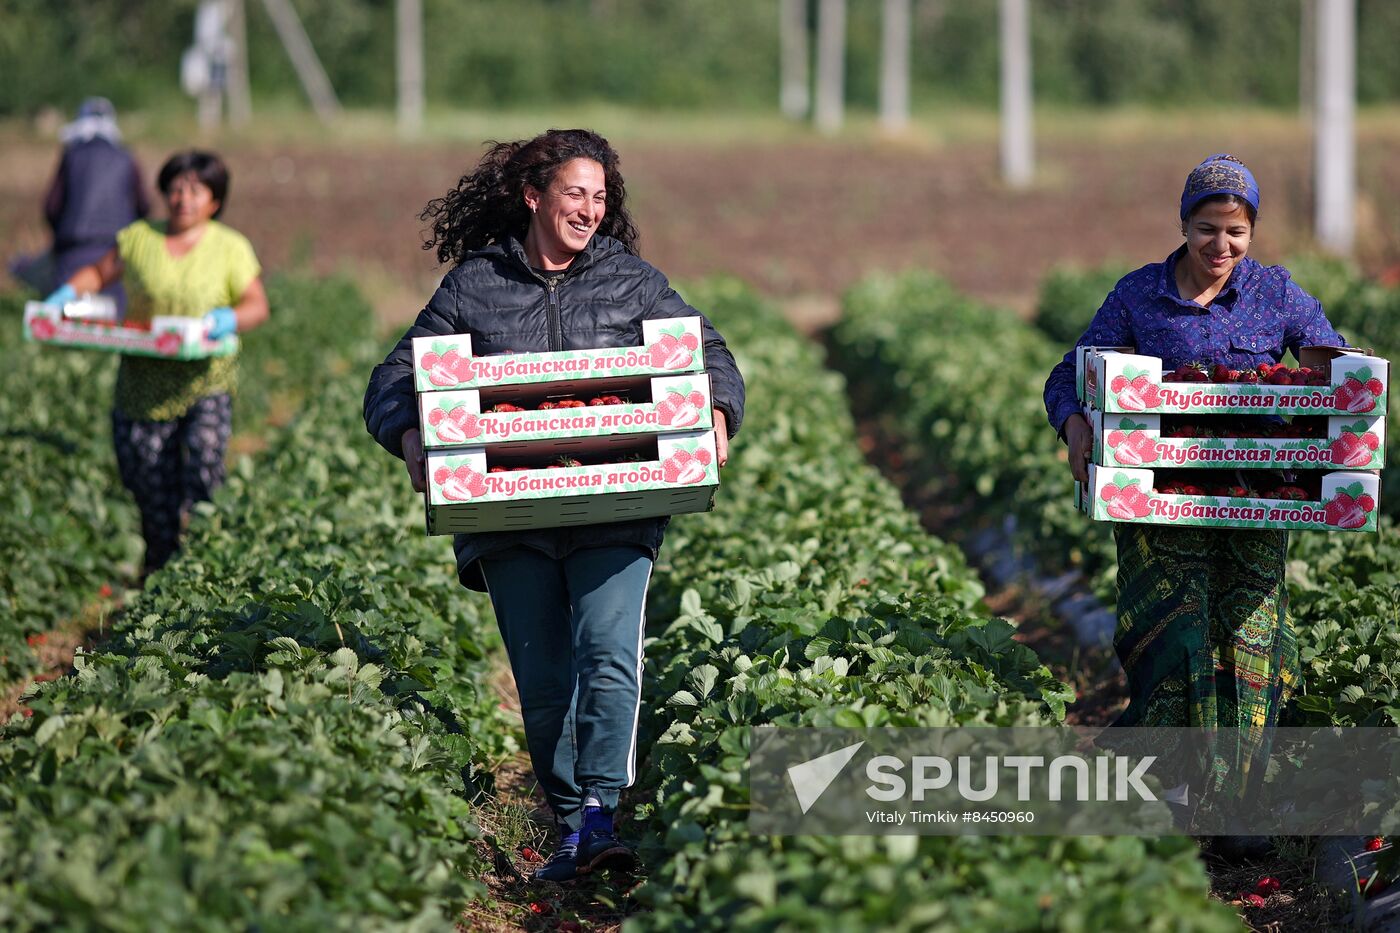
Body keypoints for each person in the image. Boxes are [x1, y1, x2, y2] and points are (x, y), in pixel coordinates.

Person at [363, 129, 745, 883]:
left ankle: (601, 811)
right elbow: (394, 376)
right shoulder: (475, 287)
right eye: (576, 192)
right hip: (512, 515)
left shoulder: (632, 283)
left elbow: (711, 354)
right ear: (533, 195)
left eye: (601, 197)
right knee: (543, 685)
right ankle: (570, 822)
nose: (591, 209)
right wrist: (407, 428)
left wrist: (720, 410)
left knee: (609, 656)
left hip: (615, 506)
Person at [1042, 154, 1346, 853]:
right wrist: (1076, 422)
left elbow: (1332, 360)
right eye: (1207, 229)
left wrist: (1337, 386)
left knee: (1248, 644)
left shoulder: (1275, 293)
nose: (1221, 247)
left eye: (1236, 232)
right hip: (1159, 502)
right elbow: (1072, 370)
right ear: (1183, 225)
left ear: (1252, 231)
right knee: (1173, 637)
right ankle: (1170, 793)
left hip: (1258, 499)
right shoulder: (1139, 295)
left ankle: (1239, 805)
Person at [47, 150, 268, 578]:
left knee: (204, 468)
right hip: (143, 380)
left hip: (204, 378)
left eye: (195, 190)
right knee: (149, 481)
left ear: (215, 200)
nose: (183, 198)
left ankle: (209, 562)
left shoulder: (230, 248)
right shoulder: (139, 238)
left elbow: (256, 305)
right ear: (165, 192)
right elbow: (97, 274)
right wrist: (66, 296)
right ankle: (162, 566)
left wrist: (227, 319)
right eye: (176, 188)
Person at [24, 98, 151, 310]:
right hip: (116, 253)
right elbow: (144, 206)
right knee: (111, 321)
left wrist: (59, 237)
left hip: (74, 249)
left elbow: (52, 206)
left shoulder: (72, 156)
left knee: (68, 321)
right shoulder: (127, 158)